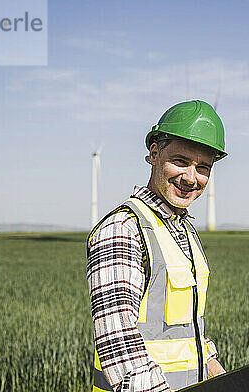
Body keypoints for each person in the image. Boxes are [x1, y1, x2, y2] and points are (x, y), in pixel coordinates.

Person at [87, 100, 227, 392]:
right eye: (180, 161)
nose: (191, 178)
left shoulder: (184, 229)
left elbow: (182, 325)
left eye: (203, 167)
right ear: (154, 154)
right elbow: (118, 343)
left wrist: (210, 362)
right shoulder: (123, 229)